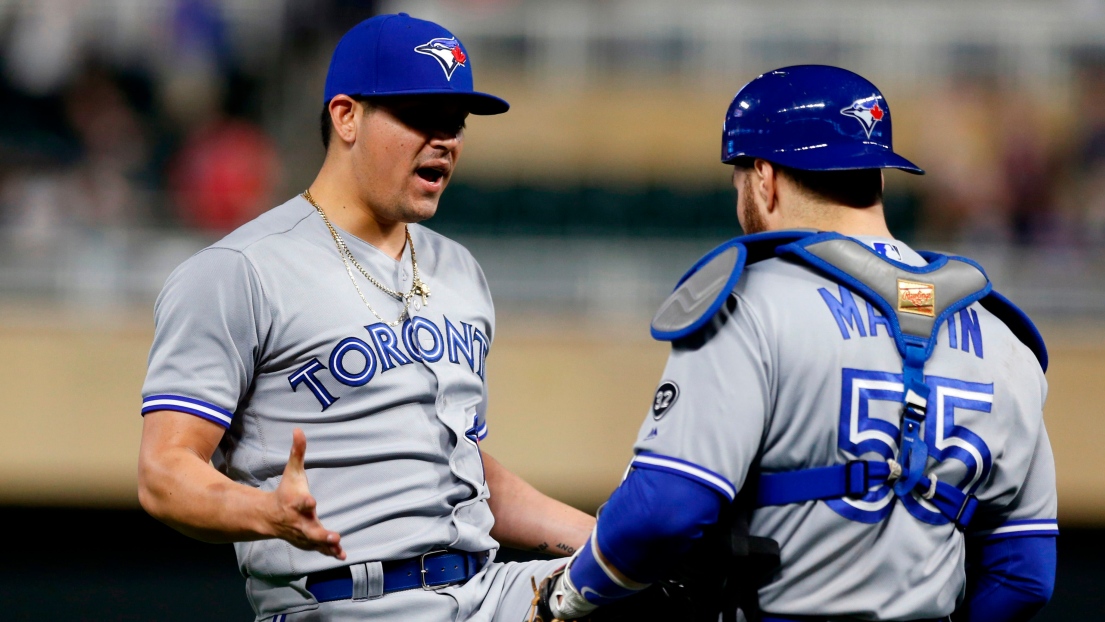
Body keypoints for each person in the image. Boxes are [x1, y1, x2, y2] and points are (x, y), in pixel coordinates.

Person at [533, 65, 1057, 622]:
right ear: (876, 175)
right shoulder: (1005, 341)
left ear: (764, 176)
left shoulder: (751, 302)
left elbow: (662, 510)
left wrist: (563, 600)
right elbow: (1025, 575)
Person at [137, 13, 594, 622]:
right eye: (418, 117)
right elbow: (165, 472)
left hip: (486, 592)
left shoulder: (460, 272)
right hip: (346, 601)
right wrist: (266, 512)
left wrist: (618, 547)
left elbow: (471, 473)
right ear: (346, 115)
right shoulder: (239, 270)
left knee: (653, 591)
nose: (445, 140)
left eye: (454, 123)